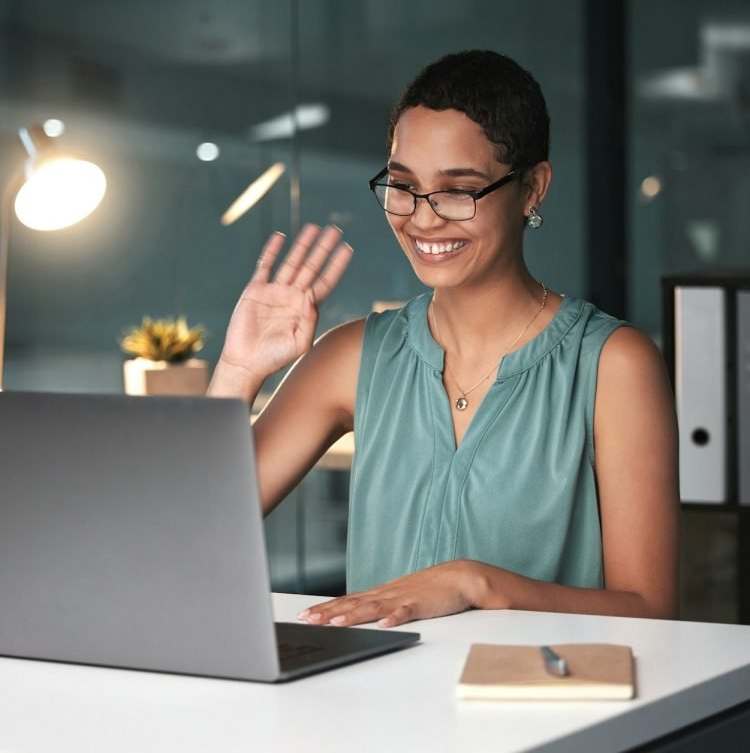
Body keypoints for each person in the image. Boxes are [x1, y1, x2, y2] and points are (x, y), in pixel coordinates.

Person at [208, 50, 679, 628]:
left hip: (540, 711)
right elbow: (198, 530)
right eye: (403, 187)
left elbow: (652, 611)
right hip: (373, 709)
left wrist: (473, 583)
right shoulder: (351, 355)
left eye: (459, 190)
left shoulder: (612, 364)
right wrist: (237, 369)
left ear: (532, 188)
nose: (423, 219)